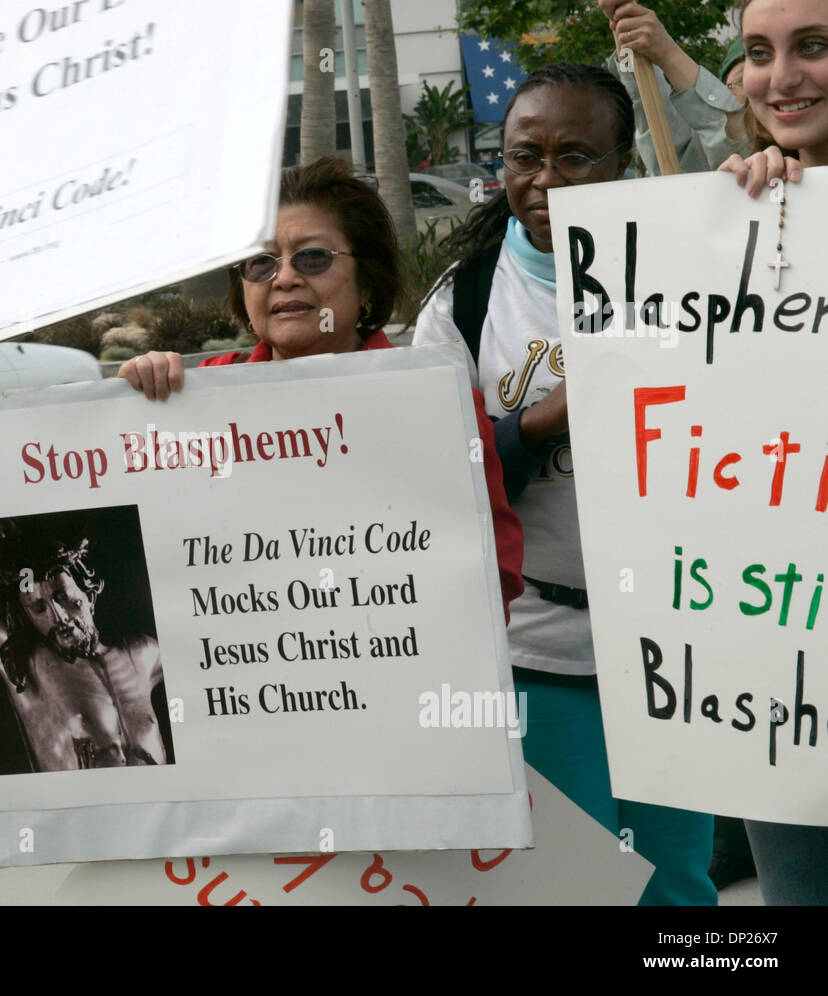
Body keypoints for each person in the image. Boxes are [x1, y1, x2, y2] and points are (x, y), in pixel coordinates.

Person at [413, 62, 716, 906]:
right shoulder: (463, 303)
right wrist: (542, 422)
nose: (544, 181)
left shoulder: (700, 276)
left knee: (679, 890)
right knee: (576, 893)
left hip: (680, 653)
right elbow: (426, 488)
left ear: (625, 164)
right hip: (538, 657)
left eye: (575, 157)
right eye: (523, 156)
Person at [120, 157, 525, 623]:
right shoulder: (194, 397)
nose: (285, 277)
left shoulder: (432, 402)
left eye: (312, 257)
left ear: (367, 282)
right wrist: (133, 403)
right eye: (260, 262)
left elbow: (495, 570)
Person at [719, 0, 828, 906]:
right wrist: (721, 238)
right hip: (778, 670)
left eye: (814, 47)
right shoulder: (735, 218)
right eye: (760, 53)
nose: (780, 77)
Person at [0, 534, 170, 773]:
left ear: (88, 594)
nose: (58, 617)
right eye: (39, 609)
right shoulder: (28, 668)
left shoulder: (144, 655)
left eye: (65, 598)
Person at [599, 0, 748, 175]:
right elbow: (659, 129)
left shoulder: (777, 163)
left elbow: (740, 146)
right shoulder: (699, 159)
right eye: (741, 82)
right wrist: (629, 35)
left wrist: (667, 51)